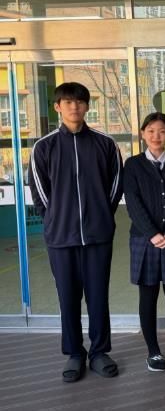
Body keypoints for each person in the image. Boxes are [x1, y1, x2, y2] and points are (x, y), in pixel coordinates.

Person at [28, 82, 123, 382]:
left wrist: (102, 216)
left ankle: (99, 352)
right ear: (58, 107)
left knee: (98, 296)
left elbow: (115, 185)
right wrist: (55, 219)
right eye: (68, 102)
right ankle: (74, 353)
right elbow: (39, 191)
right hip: (61, 238)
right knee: (67, 298)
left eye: (80, 102)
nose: (74, 107)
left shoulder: (105, 144)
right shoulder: (44, 147)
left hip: (97, 236)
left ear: (87, 106)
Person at [123, 112, 165, 372]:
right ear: (143, 134)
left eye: (162, 131)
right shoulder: (133, 165)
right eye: (151, 130)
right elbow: (133, 203)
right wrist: (153, 233)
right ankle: (153, 351)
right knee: (148, 296)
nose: (156, 136)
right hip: (144, 241)